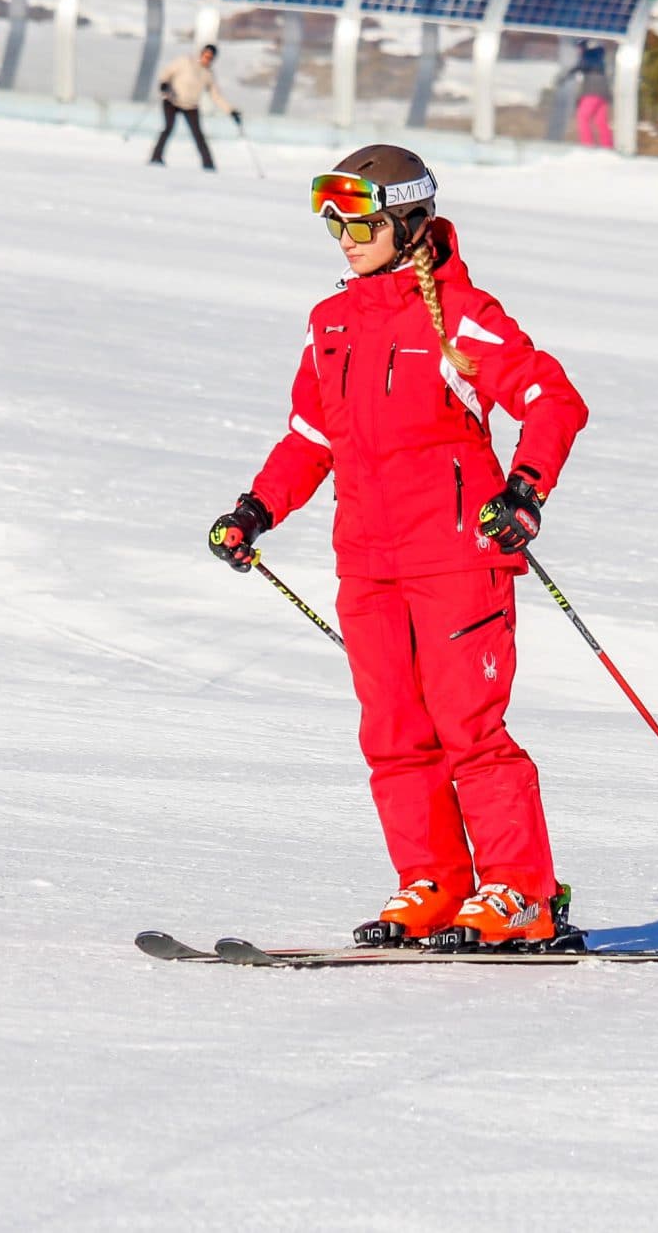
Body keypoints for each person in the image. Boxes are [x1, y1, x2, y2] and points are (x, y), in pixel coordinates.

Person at [207, 145, 590, 949]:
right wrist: (256, 509)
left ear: (410, 223)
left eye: (360, 224)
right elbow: (311, 437)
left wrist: (524, 492)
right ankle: (436, 882)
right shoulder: (331, 322)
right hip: (368, 563)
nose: (344, 239)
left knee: (469, 729)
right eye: (335, 226)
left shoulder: (462, 314)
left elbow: (551, 399)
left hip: (457, 558)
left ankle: (521, 892)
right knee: (393, 732)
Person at [151, 44, 238, 171]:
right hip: (171, 100)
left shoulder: (208, 74)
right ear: (201, 54)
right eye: (205, 55)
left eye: (210, 57)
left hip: (190, 106)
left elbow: (216, 96)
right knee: (168, 128)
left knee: (198, 134)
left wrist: (231, 111)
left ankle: (208, 165)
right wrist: (164, 83)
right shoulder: (185, 62)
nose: (207, 59)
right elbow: (167, 72)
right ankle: (156, 157)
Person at [568, 40, 614, 149]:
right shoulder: (599, 56)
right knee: (601, 121)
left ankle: (587, 145)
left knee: (582, 117)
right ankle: (608, 146)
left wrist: (566, 74)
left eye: (579, 48)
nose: (578, 51)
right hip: (604, 93)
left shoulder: (588, 56)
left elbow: (581, 66)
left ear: (584, 47)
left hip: (592, 91)